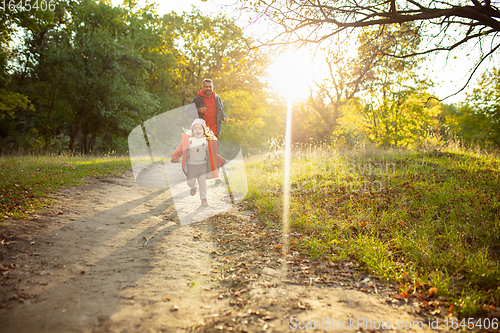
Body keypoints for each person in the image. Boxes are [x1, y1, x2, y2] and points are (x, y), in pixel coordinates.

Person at [171, 119, 225, 206]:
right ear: (192, 130)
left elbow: (212, 154)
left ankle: (204, 199)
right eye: (195, 128)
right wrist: (175, 157)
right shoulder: (189, 140)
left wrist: (220, 161)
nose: (198, 130)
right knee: (190, 182)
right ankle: (194, 186)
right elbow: (180, 149)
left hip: (202, 165)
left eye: (200, 128)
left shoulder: (206, 141)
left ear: (204, 130)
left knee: (203, 182)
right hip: (191, 166)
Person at [187, 79, 228, 185]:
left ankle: (216, 177)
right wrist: (198, 110)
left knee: (215, 154)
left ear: (213, 87)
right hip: (200, 132)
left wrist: (224, 116)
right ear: (203, 87)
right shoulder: (198, 99)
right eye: (206, 87)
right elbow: (188, 112)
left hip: (214, 131)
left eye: (210, 86)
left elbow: (221, 110)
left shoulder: (217, 98)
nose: (208, 88)